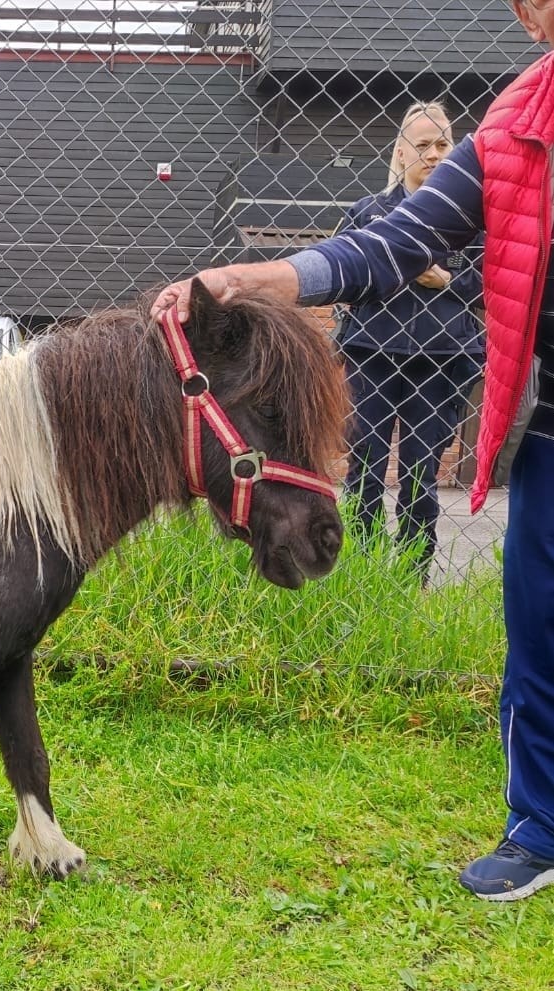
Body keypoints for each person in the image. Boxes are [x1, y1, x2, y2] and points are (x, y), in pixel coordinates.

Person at [151, 0, 554, 903]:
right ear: (532, 18)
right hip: (550, 429)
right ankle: (538, 827)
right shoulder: (515, 129)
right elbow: (393, 244)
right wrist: (247, 277)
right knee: (536, 632)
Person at [332, 102, 484, 582]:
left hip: (440, 363)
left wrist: (448, 280)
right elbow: (345, 276)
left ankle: (410, 578)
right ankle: (361, 571)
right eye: (423, 146)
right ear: (401, 151)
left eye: (444, 145)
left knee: (422, 478)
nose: (435, 155)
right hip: (372, 356)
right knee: (365, 472)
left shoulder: (471, 218)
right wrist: (391, 268)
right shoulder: (368, 212)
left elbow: (494, 283)